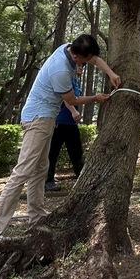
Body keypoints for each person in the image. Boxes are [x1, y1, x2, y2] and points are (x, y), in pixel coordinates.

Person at [0, 34, 120, 242]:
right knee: (22, 173)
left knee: (40, 170)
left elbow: (94, 59)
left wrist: (110, 73)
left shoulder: (67, 48)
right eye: (84, 62)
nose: (86, 64)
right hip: (39, 119)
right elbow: (72, 100)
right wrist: (96, 98)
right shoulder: (61, 71)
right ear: (75, 57)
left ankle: (37, 218)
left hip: (46, 118)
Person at [45, 51, 87, 191]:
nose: (81, 69)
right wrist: (74, 111)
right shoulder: (65, 76)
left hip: (70, 123)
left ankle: (82, 180)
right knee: (53, 152)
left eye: (83, 67)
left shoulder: (76, 81)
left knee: (76, 152)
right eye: (79, 66)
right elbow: (65, 98)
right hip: (59, 121)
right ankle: (48, 181)